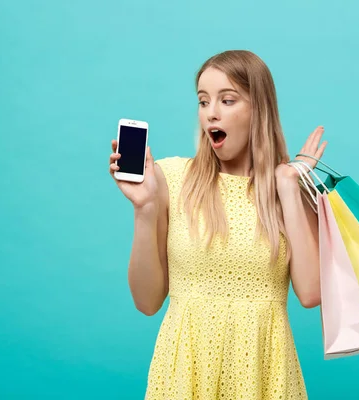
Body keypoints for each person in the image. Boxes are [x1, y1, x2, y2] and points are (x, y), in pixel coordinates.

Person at [109, 49, 327, 400]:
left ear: (259, 109)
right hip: (183, 377)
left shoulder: (290, 190)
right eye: (203, 101)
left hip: (263, 377)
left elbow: (312, 293)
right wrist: (145, 209)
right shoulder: (172, 178)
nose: (211, 113)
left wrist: (287, 185)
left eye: (227, 100)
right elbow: (147, 302)